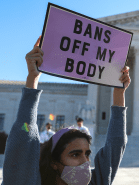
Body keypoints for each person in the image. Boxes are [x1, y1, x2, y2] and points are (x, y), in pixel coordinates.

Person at [2, 37, 131, 185]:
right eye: (75, 154)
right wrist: (33, 78)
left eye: (87, 154)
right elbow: (24, 136)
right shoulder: (27, 181)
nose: (85, 162)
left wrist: (119, 93)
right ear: (54, 162)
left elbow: (116, 144)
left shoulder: (94, 182)